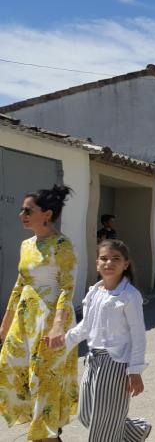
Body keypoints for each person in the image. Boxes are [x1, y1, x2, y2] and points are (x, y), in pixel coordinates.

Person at [0, 185, 78, 441]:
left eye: (27, 210)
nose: (21, 214)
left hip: (51, 318)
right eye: (22, 209)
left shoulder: (62, 244)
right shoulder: (26, 245)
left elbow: (67, 287)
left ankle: (47, 435)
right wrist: (5, 324)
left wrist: (58, 325)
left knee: (44, 381)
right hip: (25, 318)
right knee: (11, 371)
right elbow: (19, 284)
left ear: (46, 214)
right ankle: (44, 434)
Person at [65, 239, 152, 442]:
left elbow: (138, 335)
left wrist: (135, 371)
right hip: (93, 360)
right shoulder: (94, 293)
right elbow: (86, 327)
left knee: (104, 425)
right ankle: (137, 432)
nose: (109, 263)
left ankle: (128, 434)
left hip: (115, 363)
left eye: (116, 259)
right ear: (97, 263)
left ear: (125, 264)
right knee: (86, 415)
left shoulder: (130, 295)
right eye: (104, 258)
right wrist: (63, 342)